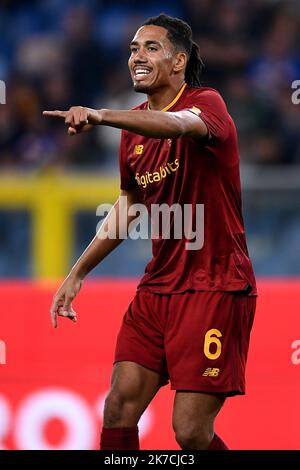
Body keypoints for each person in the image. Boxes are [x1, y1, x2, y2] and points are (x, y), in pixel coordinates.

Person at [43, 13, 257, 451]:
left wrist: (102, 115)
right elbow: (130, 205)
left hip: (214, 285)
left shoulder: (207, 103)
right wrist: (78, 272)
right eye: (133, 49)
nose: (137, 56)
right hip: (158, 286)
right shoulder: (133, 132)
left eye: (150, 48)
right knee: (118, 408)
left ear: (178, 62)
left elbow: (178, 125)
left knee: (191, 432)